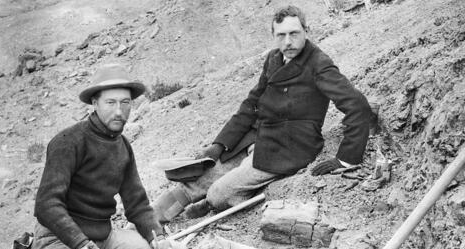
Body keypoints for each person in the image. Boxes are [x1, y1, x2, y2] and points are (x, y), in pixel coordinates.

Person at [153, 5, 378, 223]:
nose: (287, 41)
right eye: (281, 35)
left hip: (289, 147)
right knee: (196, 180)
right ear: (273, 36)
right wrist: (220, 145)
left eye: (294, 33)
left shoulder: (319, 64)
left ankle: (216, 201)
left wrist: (347, 159)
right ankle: (150, 218)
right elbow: (251, 104)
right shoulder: (273, 58)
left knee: (218, 194)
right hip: (258, 138)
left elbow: (357, 106)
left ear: (306, 32)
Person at [28, 64, 187, 249]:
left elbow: (137, 204)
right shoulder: (68, 142)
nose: (119, 111)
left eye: (125, 103)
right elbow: (46, 206)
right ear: (94, 103)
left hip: (103, 238)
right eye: (110, 102)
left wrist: (161, 245)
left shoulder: (122, 145)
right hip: (59, 241)